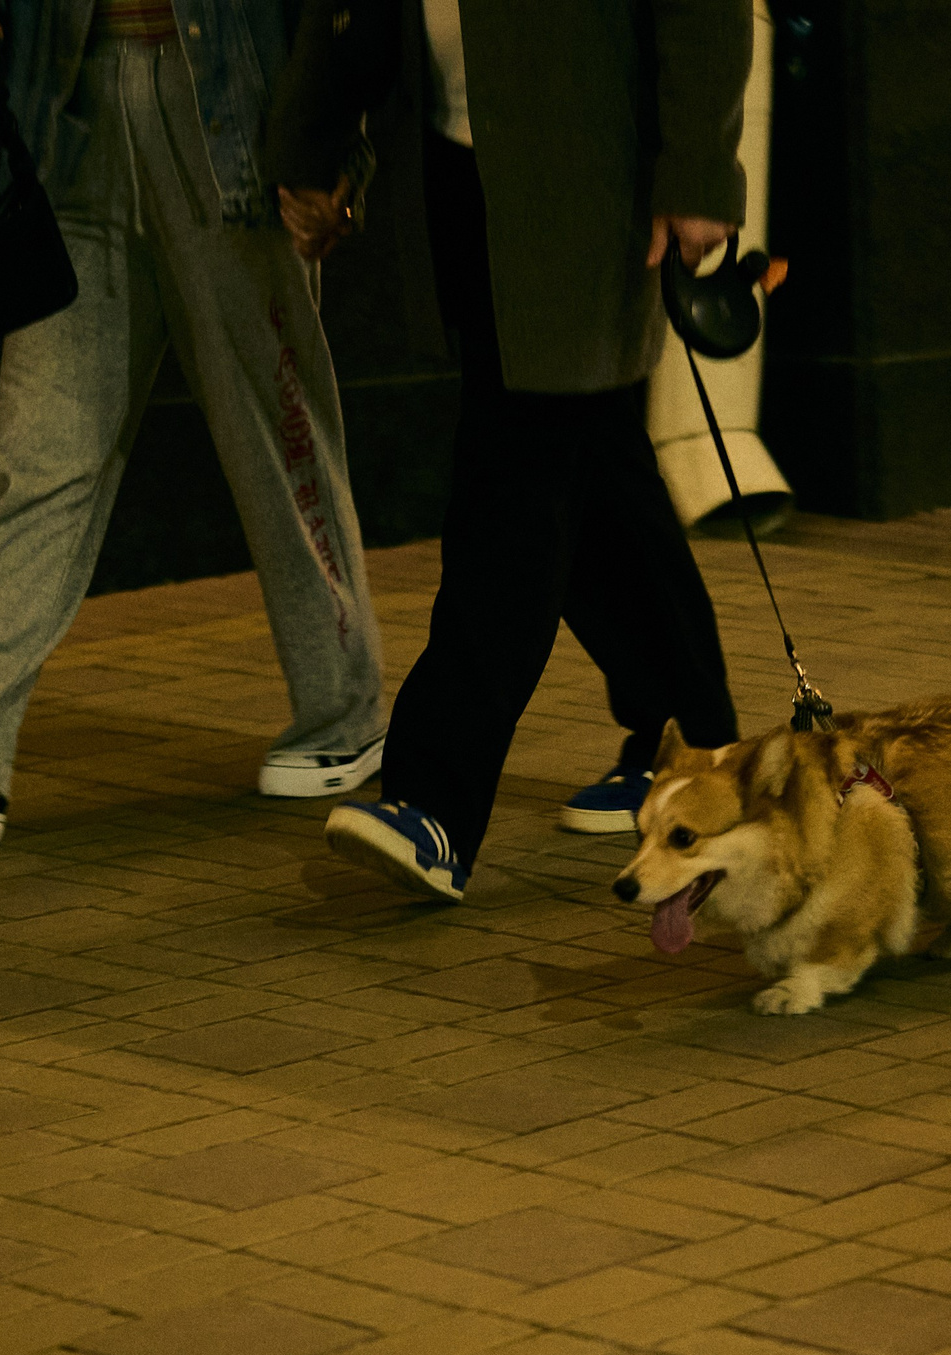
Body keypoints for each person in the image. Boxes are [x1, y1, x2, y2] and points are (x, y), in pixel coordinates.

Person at [0, 0, 388, 844]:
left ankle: (343, 712)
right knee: (42, 452)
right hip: (71, 110)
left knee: (276, 433)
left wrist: (338, 148)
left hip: (230, 108)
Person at [266, 0, 749, 902]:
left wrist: (699, 171)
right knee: (593, 476)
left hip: (590, 177)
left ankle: (433, 800)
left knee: (514, 490)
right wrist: (310, 148)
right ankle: (691, 742)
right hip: (458, 175)